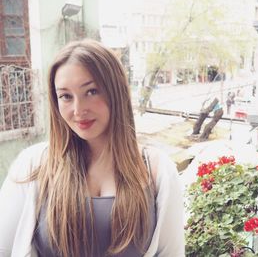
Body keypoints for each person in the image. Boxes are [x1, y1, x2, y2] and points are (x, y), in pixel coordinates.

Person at [0, 39, 184, 257]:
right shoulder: (32, 166)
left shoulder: (157, 170)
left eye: (91, 91)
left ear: (115, 91)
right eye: (66, 96)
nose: (78, 110)